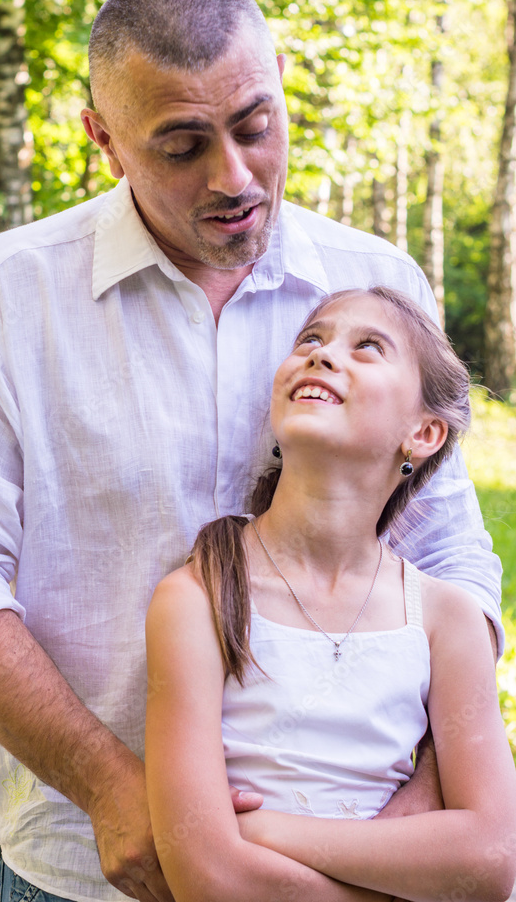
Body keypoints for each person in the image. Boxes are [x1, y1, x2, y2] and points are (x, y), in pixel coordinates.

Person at [0, 0, 503, 902]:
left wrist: (431, 794)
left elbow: (449, 551)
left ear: (281, 80)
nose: (234, 176)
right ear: (103, 139)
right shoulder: (5, 295)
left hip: (371, 860)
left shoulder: (374, 279)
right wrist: (110, 790)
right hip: (84, 866)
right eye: (180, 146)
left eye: (255, 125)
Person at [145, 286, 516, 902]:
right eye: (310, 340)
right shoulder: (198, 598)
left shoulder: (445, 621)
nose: (322, 355)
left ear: (423, 433)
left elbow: (494, 858)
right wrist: (404, 885)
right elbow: (208, 878)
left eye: (368, 348)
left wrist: (266, 831)